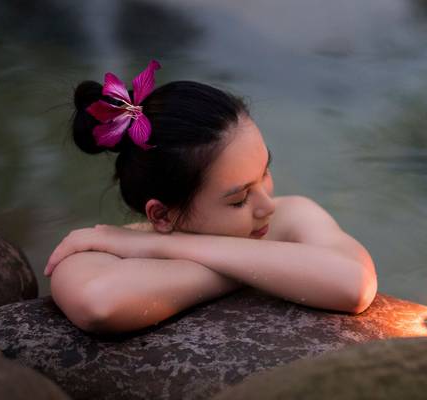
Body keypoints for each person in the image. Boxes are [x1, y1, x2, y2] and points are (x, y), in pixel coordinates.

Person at [43, 60, 378, 334]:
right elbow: (99, 306)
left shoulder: (291, 215)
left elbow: (354, 286)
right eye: (239, 200)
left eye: (265, 172)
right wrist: (255, 264)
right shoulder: (99, 248)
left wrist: (167, 246)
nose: (266, 205)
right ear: (161, 215)